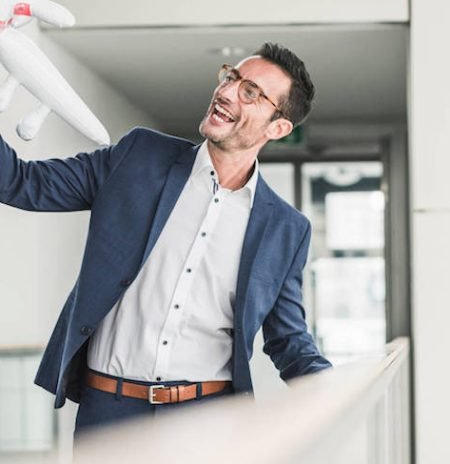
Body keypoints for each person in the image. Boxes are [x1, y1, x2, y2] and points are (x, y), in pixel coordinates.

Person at [0, 41, 332, 433]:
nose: (225, 93)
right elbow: (20, 184)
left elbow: (288, 339)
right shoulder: (138, 156)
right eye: (231, 78)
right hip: (109, 414)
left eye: (250, 93)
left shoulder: (286, 229)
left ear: (278, 127)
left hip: (208, 421)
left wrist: (333, 388)